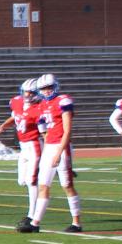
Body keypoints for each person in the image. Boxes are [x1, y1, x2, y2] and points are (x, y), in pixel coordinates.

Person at [20, 73, 83, 233]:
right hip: (50, 147)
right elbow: (42, 127)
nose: (47, 91)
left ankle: (76, 222)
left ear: (55, 86)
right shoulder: (41, 105)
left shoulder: (63, 101)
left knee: (67, 185)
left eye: (49, 87)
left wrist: (58, 152)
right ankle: (35, 223)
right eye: (43, 88)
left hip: (62, 147)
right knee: (43, 185)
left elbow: (67, 131)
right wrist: (48, 145)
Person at [0, 78, 43, 224]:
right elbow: (15, 117)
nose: (27, 95)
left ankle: (32, 215)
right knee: (22, 181)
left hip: (34, 145)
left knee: (31, 181)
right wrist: (3, 126)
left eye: (30, 93)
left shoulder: (40, 108)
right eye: (25, 92)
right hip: (23, 147)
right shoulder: (16, 102)